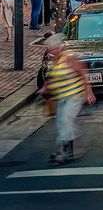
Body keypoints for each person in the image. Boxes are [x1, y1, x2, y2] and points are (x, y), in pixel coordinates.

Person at [39, 34, 95, 165]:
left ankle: (66, 153)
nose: (51, 53)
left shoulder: (69, 58)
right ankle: (68, 151)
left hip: (75, 96)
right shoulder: (55, 61)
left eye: (53, 50)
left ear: (59, 48)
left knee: (66, 121)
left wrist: (89, 93)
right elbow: (53, 78)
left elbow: (83, 73)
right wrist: (45, 88)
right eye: (49, 50)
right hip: (63, 97)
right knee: (62, 123)